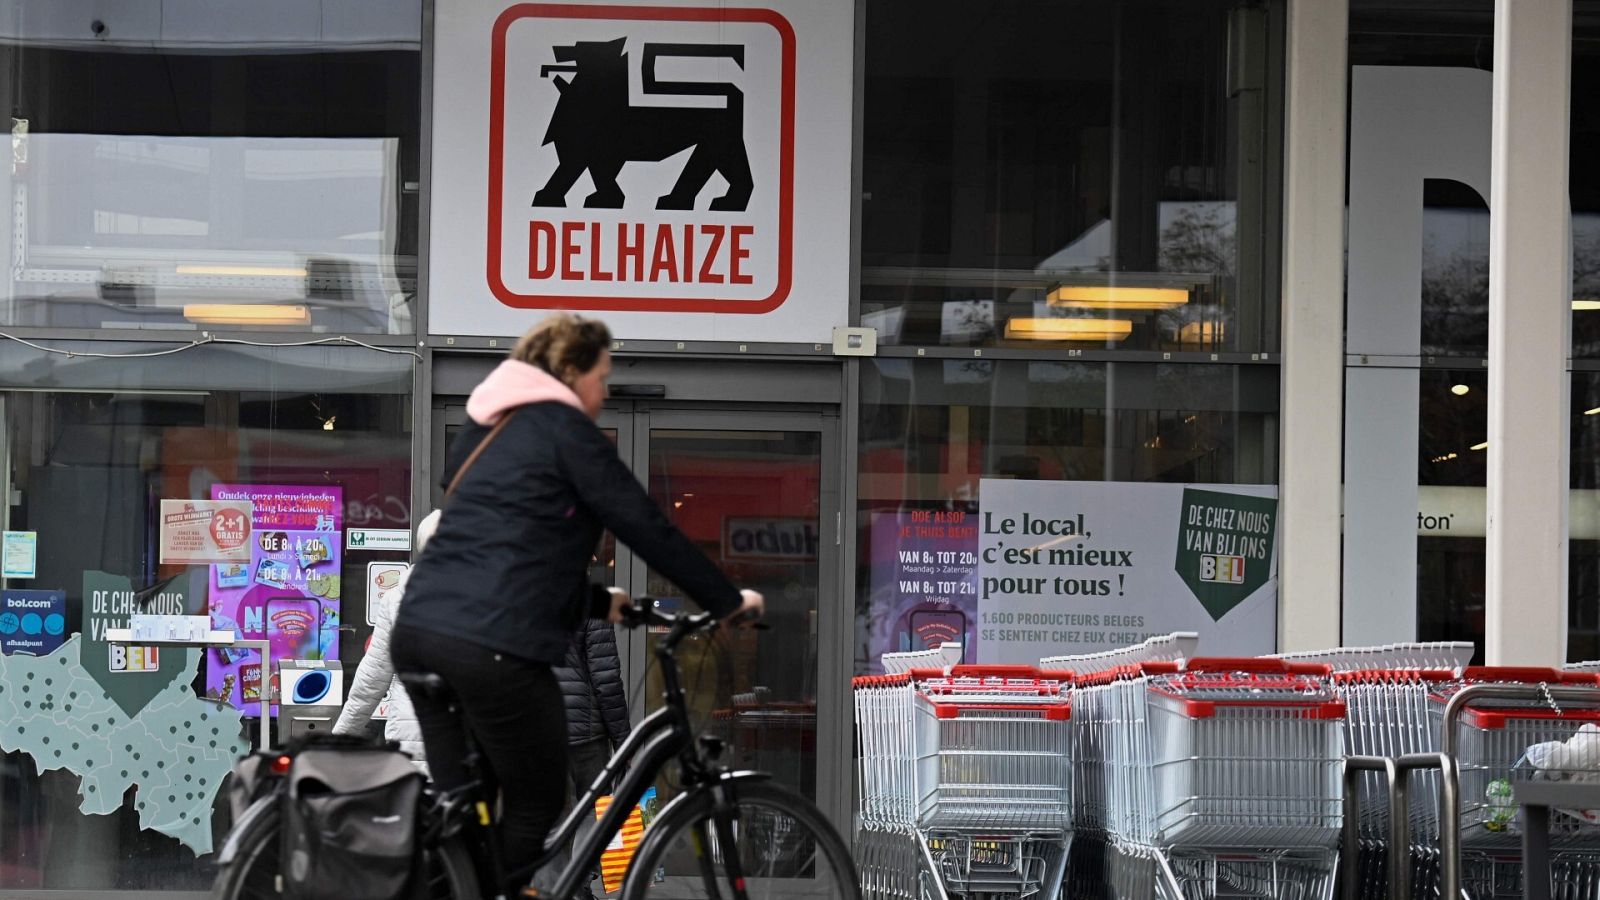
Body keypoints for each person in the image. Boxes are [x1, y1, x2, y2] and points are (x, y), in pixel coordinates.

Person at [390, 312, 762, 887]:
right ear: (568, 371)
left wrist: (595, 603)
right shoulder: (563, 429)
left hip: (419, 638)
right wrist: (724, 599)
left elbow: (509, 556)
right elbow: (643, 523)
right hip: (491, 649)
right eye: (601, 376)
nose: (604, 392)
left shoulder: (484, 431)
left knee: (470, 812)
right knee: (538, 802)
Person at [331, 509, 443, 770]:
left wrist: (339, 739)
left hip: (411, 745)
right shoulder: (481, 599)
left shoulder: (397, 598)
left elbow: (371, 680)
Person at [553, 620, 630, 900]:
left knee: (552, 819)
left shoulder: (523, 593)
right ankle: (578, 887)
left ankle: (555, 891)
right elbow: (606, 679)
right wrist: (622, 737)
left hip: (542, 728)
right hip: (587, 735)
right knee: (593, 809)